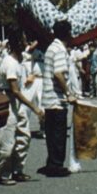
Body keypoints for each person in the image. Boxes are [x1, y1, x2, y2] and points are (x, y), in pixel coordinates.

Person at [0, 31, 45, 185]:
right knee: (7, 141)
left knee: (23, 137)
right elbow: (15, 90)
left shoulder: (19, 62)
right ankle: (3, 174)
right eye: (23, 41)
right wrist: (35, 108)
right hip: (9, 103)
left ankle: (18, 170)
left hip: (18, 105)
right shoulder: (10, 63)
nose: (25, 44)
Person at [39, 19, 77, 177]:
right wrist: (69, 93)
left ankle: (51, 162)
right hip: (57, 97)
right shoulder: (60, 50)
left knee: (51, 132)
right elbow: (59, 73)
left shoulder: (51, 48)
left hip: (48, 96)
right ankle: (56, 165)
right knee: (59, 133)